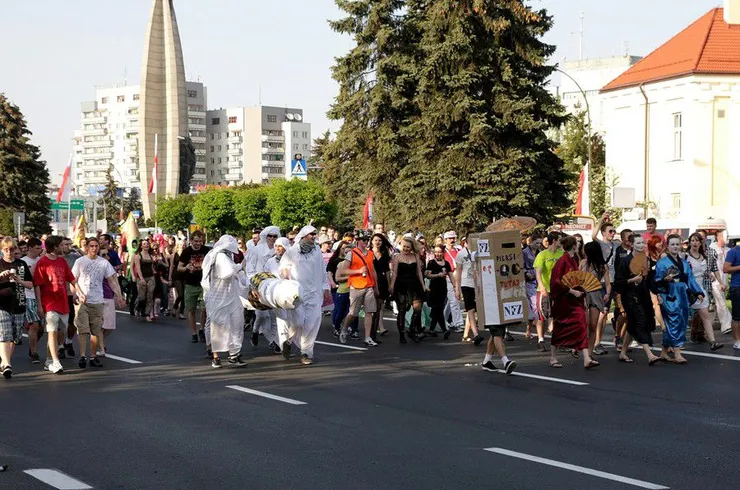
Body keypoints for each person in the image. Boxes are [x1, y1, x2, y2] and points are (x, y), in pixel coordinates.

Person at [277, 225, 331, 365]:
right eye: (311, 234)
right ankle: (288, 340)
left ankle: (306, 352)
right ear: (304, 236)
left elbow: (322, 270)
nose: (314, 236)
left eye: (315, 234)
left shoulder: (317, 251)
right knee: (299, 321)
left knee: (311, 324)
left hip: (314, 293)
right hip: (297, 293)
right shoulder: (292, 251)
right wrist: (285, 279)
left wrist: (326, 287)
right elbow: (283, 267)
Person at [71, 237, 125, 369]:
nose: (94, 248)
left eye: (96, 246)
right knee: (83, 330)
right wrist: (74, 294)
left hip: (98, 300)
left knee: (96, 331)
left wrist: (119, 295)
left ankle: (93, 356)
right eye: (91, 246)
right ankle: (83, 356)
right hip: (83, 300)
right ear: (87, 247)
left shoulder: (104, 263)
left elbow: (112, 280)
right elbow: (73, 280)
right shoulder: (80, 261)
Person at [548, 236, 599, 369]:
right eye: (577, 243)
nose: (579, 245)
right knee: (559, 328)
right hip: (563, 300)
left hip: (575, 300)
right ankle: (553, 357)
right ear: (574, 246)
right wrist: (571, 291)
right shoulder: (562, 261)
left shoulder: (574, 259)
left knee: (582, 324)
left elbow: (576, 278)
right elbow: (556, 282)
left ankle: (586, 358)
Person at [654, 235, 705, 364]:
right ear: (668, 246)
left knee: (680, 321)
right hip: (669, 294)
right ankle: (677, 353)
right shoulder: (662, 263)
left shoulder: (683, 263)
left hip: (682, 294)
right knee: (674, 321)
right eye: (673, 244)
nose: (675, 247)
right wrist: (664, 281)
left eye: (677, 244)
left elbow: (690, 279)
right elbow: (656, 280)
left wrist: (698, 291)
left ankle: (664, 353)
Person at [201, 235, 248, 368]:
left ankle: (234, 354)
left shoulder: (227, 256)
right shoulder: (219, 256)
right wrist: (240, 266)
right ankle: (216, 357)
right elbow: (225, 273)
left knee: (236, 325)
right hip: (218, 297)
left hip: (231, 296)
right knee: (219, 327)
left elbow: (236, 275)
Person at [613, 235, 661, 364]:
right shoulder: (625, 261)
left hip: (643, 295)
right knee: (640, 321)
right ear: (632, 244)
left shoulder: (646, 260)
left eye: (642, 243)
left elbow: (650, 280)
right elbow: (618, 282)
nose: (641, 245)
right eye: (638, 243)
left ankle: (623, 352)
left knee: (633, 323)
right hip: (629, 297)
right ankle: (649, 354)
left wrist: (657, 293)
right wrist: (632, 280)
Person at [33, 236, 77, 374]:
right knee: (52, 332)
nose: (64, 247)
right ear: (55, 247)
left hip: (63, 302)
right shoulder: (42, 263)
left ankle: (48, 360)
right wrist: (40, 306)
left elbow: (72, 279)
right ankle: (56, 362)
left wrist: (79, 292)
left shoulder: (62, 261)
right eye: (61, 245)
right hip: (49, 303)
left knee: (60, 332)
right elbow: (38, 286)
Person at [0, 238, 34, 378]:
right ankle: (8, 364)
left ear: (16, 250)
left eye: (12, 249)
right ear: (2, 250)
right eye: (6, 249)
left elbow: (30, 284)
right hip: (2, 303)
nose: (9, 252)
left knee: (15, 337)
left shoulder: (21, 264)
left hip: (18, 303)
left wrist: (18, 280)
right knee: (5, 333)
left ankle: (4, 362)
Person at [339, 231, 379, 347]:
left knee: (369, 312)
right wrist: (358, 271)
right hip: (356, 286)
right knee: (353, 313)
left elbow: (373, 271)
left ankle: (367, 337)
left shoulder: (371, 254)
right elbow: (344, 270)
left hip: (369, 285)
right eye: (363, 240)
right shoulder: (351, 253)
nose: (366, 242)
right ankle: (345, 328)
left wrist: (376, 286)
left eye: (367, 240)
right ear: (358, 241)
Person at [685, 232, 724, 351]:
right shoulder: (685, 256)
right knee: (682, 317)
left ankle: (712, 341)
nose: (695, 243)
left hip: (700, 289)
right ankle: (674, 344)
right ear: (689, 242)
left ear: (701, 242)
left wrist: (712, 276)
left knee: (706, 316)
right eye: (692, 240)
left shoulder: (704, 256)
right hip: (687, 289)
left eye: (697, 240)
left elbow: (711, 269)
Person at [245, 226, 281, 350]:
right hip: (259, 286)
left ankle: (275, 341)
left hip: (275, 287)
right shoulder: (256, 251)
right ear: (265, 237)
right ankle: (255, 331)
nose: (272, 238)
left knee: (274, 316)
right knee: (261, 315)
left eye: (274, 236)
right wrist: (253, 286)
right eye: (269, 236)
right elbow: (250, 270)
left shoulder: (280, 252)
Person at [389, 236, 426, 343]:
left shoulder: (415, 256)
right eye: (404, 246)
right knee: (402, 310)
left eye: (408, 247)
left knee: (418, 308)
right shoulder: (397, 257)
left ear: (412, 247)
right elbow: (394, 273)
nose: (406, 249)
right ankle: (401, 335)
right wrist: (391, 286)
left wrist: (423, 286)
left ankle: (411, 330)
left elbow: (419, 272)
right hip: (401, 285)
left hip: (414, 285)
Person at [178, 231, 210, 343]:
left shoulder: (207, 251)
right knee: (191, 310)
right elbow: (179, 267)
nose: (198, 243)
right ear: (191, 241)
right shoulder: (186, 252)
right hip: (190, 284)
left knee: (205, 308)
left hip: (204, 284)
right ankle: (194, 333)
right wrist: (186, 267)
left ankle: (202, 329)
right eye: (196, 241)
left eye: (200, 241)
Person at [533, 232, 563, 352]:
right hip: (544, 290)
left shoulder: (561, 254)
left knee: (558, 315)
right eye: (560, 239)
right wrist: (542, 286)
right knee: (542, 316)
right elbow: (538, 272)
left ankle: (558, 339)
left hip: (558, 289)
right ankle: (540, 339)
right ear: (554, 241)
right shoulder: (542, 254)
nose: (562, 241)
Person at [580, 241, 611, 355]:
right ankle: (582, 348)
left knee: (593, 326)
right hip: (583, 294)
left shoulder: (602, 265)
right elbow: (577, 278)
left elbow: (607, 283)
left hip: (596, 295)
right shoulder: (583, 263)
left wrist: (607, 293)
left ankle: (590, 352)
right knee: (585, 323)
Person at [455, 237, 483, 345]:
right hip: (466, 284)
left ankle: (466, 334)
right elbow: (458, 272)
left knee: (474, 310)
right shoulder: (461, 254)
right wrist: (457, 288)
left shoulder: (479, 252)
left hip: (477, 284)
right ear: (466, 242)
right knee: (470, 309)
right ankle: (476, 334)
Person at [22, 238, 44, 363]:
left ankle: (32, 346)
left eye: (40, 248)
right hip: (27, 295)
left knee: (41, 328)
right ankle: (34, 352)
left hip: (40, 295)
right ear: (29, 248)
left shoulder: (41, 261)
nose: (39, 250)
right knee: (34, 325)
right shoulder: (23, 262)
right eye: (37, 248)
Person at [426, 245, 454, 338]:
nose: (437, 254)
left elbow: (451, 275)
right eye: (436, 252)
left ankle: (431, 329)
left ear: (443, 253)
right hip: (434, 289)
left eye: (439, 252)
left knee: (438, 309)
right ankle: (444, 330)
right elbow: (428, 275)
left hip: (443, 289)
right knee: (438, 309)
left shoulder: (446, 263)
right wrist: (438, 275)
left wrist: (455, 286)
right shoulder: (431, 263)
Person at [371, 233, 393, 339]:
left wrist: (390, 285)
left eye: (380, 240)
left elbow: (387, 271)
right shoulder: (369, 253)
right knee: (372, 306)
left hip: (382, 280)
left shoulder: (385, 254)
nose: (378, 242)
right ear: (372, 241)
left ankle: (379, 327)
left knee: (379, 306)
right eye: (375, 240)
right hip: (371, 281)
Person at [710, 231, 732, 335]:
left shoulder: (728, 250)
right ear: (718, 237)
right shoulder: (712, 247)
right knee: (720, 301)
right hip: (714, 279)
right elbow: (710, 263)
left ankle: (708, 326)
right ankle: (727, 324)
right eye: (724, 236)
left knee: (719, 302)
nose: (726, 238)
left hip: (724, 278)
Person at [442, 231, 464, 332]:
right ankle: (457, 323)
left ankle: (443, 319)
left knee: (451, 301)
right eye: (450, 238)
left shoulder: (458, 249)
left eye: (453, 238)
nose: (452, 240)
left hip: (459, 276)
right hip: (448, 277)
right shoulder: (443, 251)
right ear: (445, 240)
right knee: (454, 300)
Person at [132, 239, 156, 321]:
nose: (146, 245)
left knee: (150, 296)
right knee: (142, 297)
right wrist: (141, 279)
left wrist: (154, 272)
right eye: (144, 244)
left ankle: (147, 314)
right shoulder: (138, 256)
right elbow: (138, 269)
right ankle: (138, 308)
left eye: (147, 244)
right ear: (141, 246)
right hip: (141, 278)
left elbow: (151, 266)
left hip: (151, 278)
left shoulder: (151, 255)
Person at [723, 239, 740, 350]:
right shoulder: (733, 252)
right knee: (737, 317)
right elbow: (725, 268)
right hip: (737, 287)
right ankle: (737, 341)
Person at [169, 241, 186, 319]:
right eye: (181, 245)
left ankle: (181, 313)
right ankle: (175, 307)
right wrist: (169, 278)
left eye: (184, 245)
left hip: (185, 276)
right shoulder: (174, 255)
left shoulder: (187, 254)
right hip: (176, 276)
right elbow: (171, 266)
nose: (182, 246)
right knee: (181, 294)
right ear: (178, 246)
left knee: (184, 296)